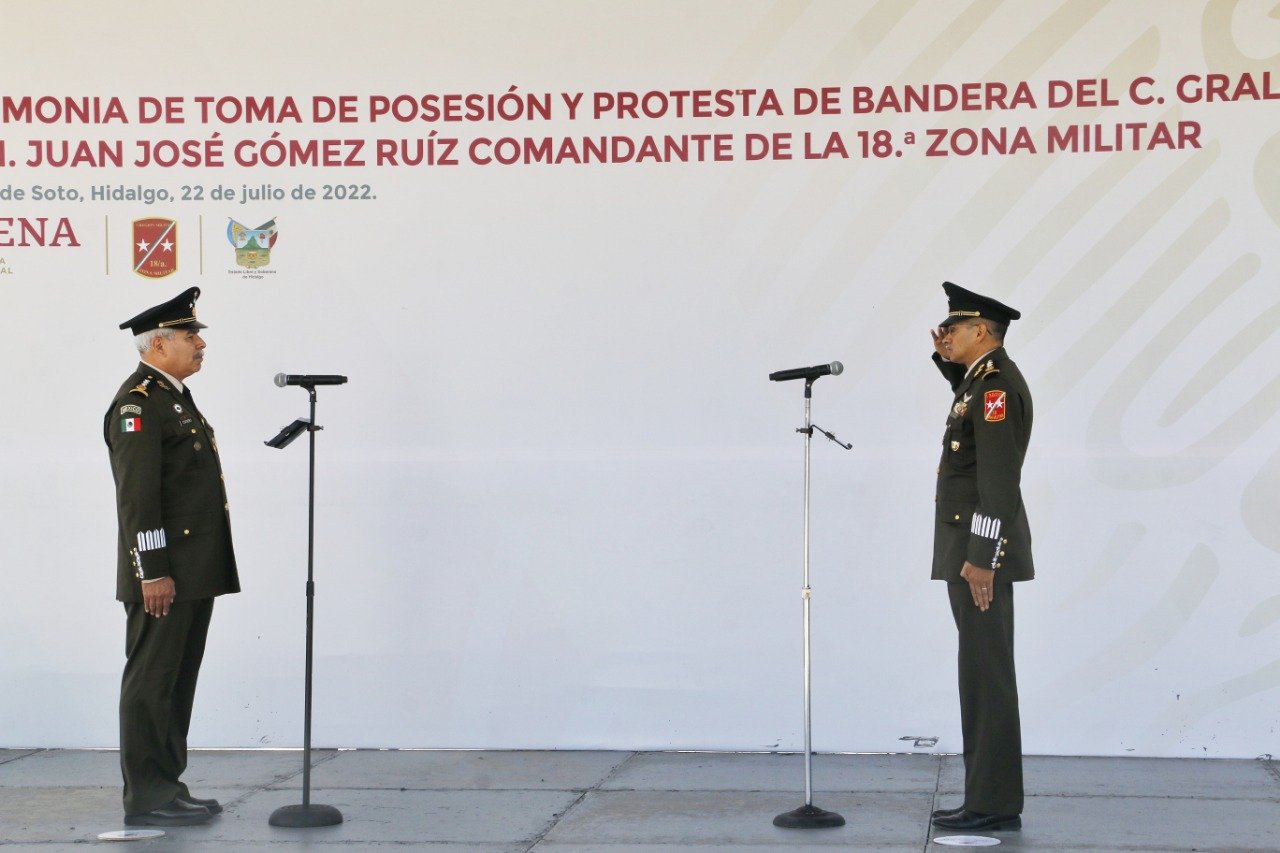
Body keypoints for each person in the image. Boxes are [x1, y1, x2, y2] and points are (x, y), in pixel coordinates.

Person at [104, 287, 240, 826]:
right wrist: (153, 571)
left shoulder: (174, 396)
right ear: (158, 345)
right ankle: (146, 794)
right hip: (164, 574)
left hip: (192, 570)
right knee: (151, 681)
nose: (200, 343)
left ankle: (167, 783)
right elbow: (139, 499)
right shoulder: (137, 403)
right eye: (190, 335)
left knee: (177, 679)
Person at [927, 281, 1034, 833]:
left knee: (986, 676)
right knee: (978, 673)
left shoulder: (995, 389)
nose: (947, 332)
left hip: (978, 555)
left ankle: (992, 801)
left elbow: (997, 482)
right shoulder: (979, 382)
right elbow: (968, 428)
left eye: (956, 327)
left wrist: (984, 555)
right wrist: (946, 363)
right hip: (968, 549)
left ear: (982, 331)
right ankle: (986, 796)